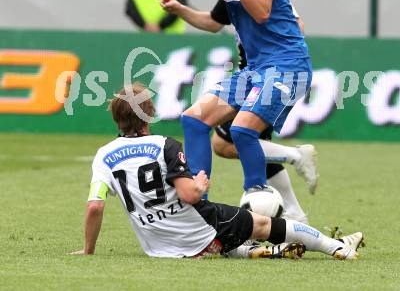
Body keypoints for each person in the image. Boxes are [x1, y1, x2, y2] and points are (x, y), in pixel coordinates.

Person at [70, 83, 363, 260]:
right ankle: (338, 246)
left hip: (158, 247)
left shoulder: (103, 156)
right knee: (264, 223)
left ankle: (257, 252)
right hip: (199, 232)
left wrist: (88, 250)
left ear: (116, 120)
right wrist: (198, 182)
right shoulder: (165, 145)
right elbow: (189, 195)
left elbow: (95, 207)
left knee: (228, 235)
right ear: (149, 113)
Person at [180, 0, 313, 197]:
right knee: (193, 119)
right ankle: (199, 201)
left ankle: (257, 197)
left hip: (288, 65)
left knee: (241, 132)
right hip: (256, 69)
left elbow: (262, 12)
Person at [159, 0, 317, 223]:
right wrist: (180, 9)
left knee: (236, 139)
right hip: (249, 75)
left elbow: (297, 26)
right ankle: (293, 204)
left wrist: (263, 33)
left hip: (271, 75)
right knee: (223, 142)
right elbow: (213, 21)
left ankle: (290, 166)